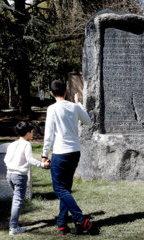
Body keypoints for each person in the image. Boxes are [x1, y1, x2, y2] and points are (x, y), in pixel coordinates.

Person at [42, 80, 92, 235]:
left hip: (60, 153)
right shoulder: (74, 107)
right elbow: (88, 121)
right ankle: (62, 225)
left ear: (51, 93)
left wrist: (44, 154)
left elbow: (49, 134)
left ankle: (81, 219)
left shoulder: (52, 109)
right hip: (74, 152)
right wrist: (79, 104)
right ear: (66, 91)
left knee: (59, 189)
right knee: (66, 189)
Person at [4, 121, 50, 236]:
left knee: (16, 200)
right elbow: (29, 159)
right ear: (28, 133)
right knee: (17, 201)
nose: (33, 133)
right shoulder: (26, 144)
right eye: (32, 132)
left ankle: (14, 225)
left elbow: (5, 159)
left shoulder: (13, 144)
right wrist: (42, 164)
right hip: (19, 176)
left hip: (9, 175)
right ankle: (13, 227)